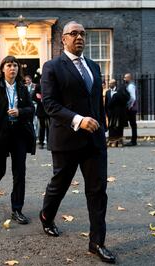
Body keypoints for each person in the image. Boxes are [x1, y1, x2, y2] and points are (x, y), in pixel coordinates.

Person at [39, 21, 116, 264]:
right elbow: (49, 105)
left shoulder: (93, 66)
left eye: (82, 34)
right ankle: (46, 215)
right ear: (63, 39)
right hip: (66, 139)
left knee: (97, 191)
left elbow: (97, 103)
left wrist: (102, 129)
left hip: (94, 142)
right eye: (74, 33)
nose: (79, 37)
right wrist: (78, 120)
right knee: (59, 185)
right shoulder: (52, 67)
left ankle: (97, 243)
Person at [0, 55, 36, 225]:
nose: (12, 68)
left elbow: (31, 108)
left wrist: (20, 112)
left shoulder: (22, 87)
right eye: (9, 65)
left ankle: (17, 209)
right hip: (0, 135)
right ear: (3, 68)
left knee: (20, 172)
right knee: (0, 171)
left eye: (15, 66)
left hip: (19, 134)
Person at [104, 79, 128, 147]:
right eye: (109, 83)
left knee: (116, 127)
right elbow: (106, 103)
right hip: (110, 113)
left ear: (114, 84)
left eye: (110, 83)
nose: (109, 85)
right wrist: (107, 112)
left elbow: (109, 104)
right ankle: (116, 141)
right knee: (113, 127)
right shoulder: (107, 92)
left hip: (116, 113)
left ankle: (116, 141)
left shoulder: (117, 94)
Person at [32, 82, 50, 149]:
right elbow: (33, 96)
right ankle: (41, 142)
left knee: (49, 126)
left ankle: (49, 142)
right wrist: (40, 99)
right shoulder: (38, 86)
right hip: (41, 109)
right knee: (42, 126)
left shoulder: (50, 84)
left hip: (49, 109)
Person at [122, 73, 138, 146]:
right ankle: (133, 140)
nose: (124, 79)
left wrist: (129, 106)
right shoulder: (131, 85)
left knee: (133, 124)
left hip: (131, 108)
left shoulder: (131, 86)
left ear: (129, 78)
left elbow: (133, 98)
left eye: (125, 78)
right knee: (133, 124)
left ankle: (133, 141)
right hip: (132, 108)